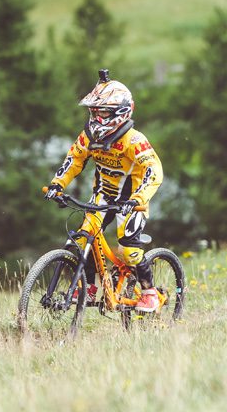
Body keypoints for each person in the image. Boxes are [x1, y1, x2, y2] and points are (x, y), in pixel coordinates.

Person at [45, 70, 163, 312]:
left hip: (131, 202)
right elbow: (74, 160)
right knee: (84, 237)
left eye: (103, 112)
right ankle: (88, 288)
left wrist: (138, 198)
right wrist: (57, 184)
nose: (97, 118)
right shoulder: (89, 137)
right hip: (102, 196)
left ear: (121, 111)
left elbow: (154, 171)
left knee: (129, 251)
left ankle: (150, 292)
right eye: (94, 112)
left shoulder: (134, 140)